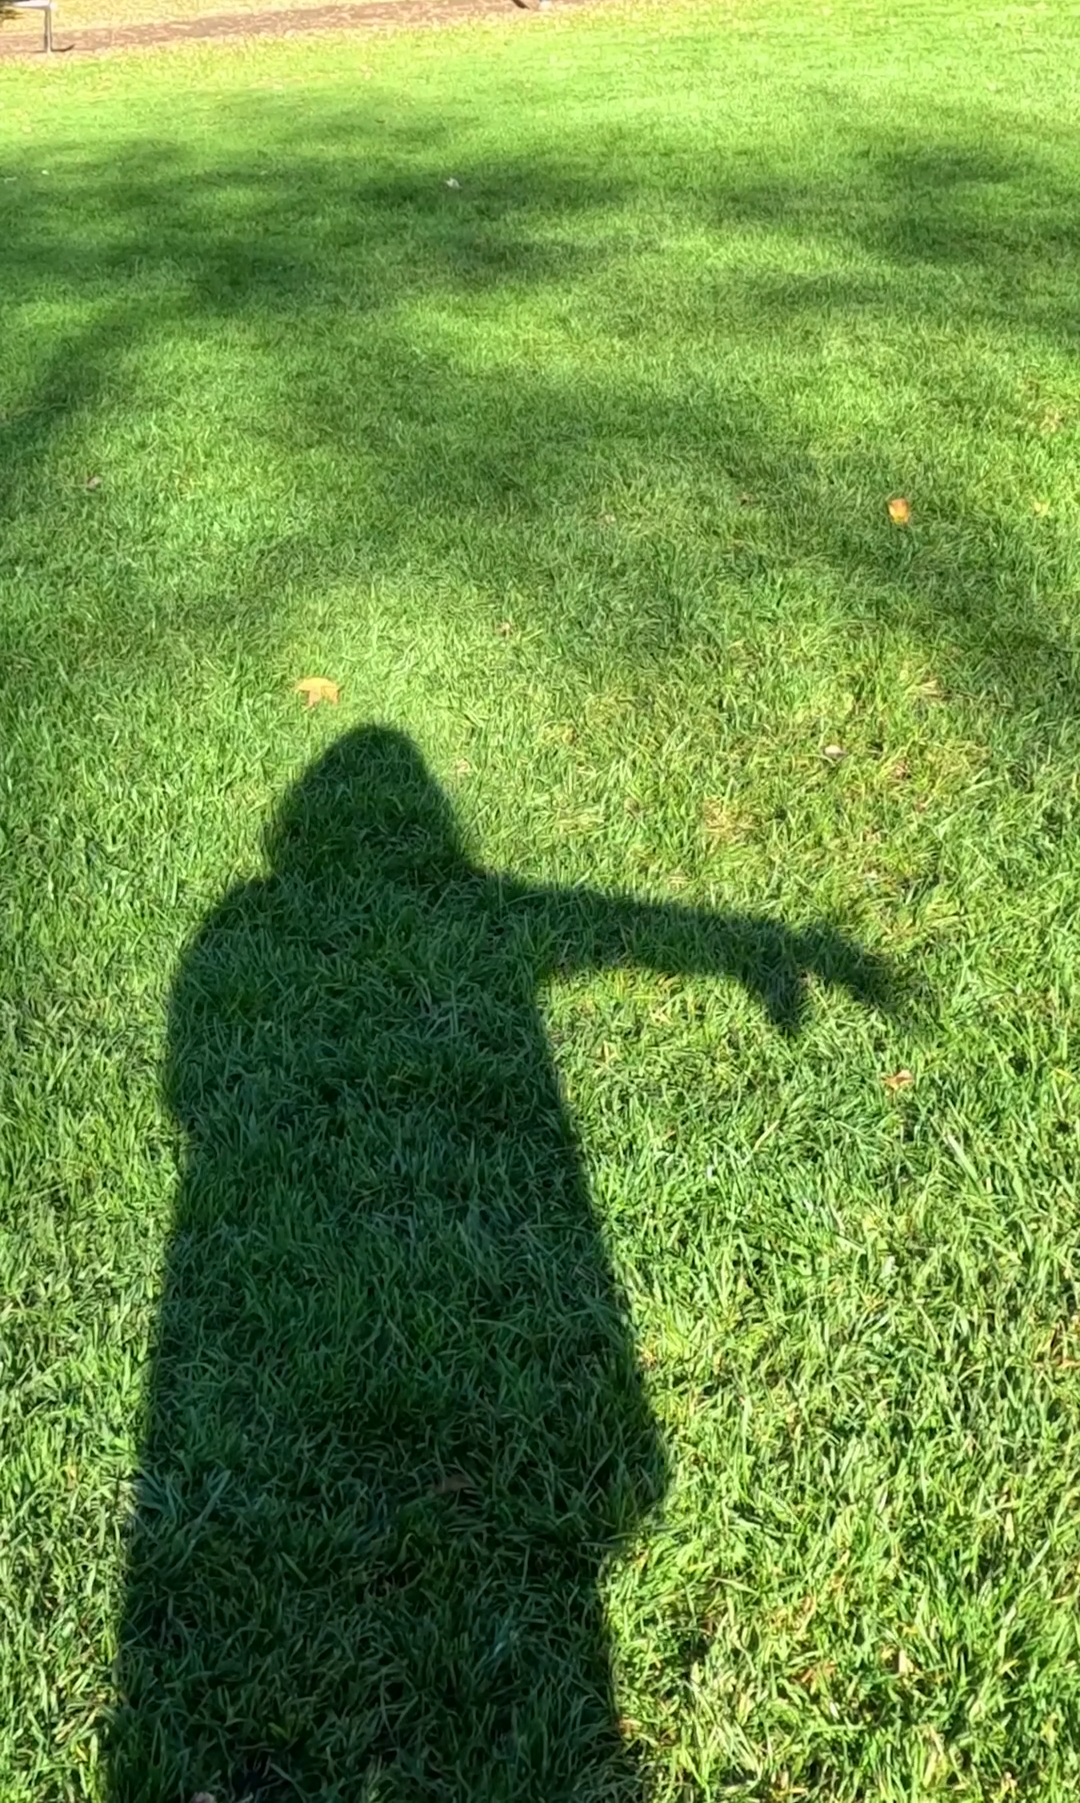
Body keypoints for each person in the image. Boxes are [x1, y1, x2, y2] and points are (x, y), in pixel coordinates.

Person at [110, 726, 887, 1802]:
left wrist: (743, 939)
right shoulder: (291, 921)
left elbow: (577, 921)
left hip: (229, 1286)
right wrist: (745, 940)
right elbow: (574, 920)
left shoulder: (244, 922)